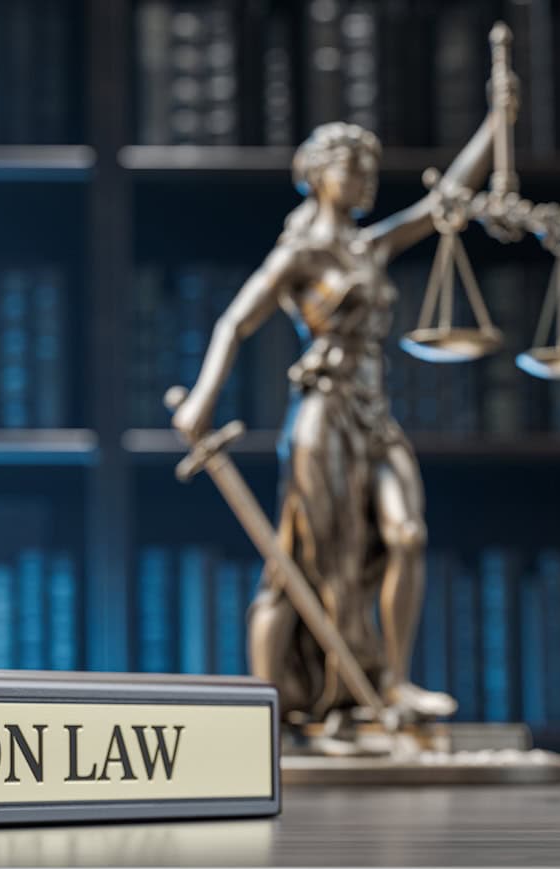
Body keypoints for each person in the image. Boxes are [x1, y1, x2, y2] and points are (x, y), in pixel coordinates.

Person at [170, 96, 509, 740]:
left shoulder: (371, 245)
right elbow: (235, 322)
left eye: (369, 170)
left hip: (373, 415)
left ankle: (394, 680)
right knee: (310, 562)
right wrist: (201, 400)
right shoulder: (299, 254)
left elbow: (446, 203)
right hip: (322, 417)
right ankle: (282, 702)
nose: (364, 180)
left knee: (406, 534)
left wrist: (497, 121)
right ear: (318, 173)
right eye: (352, 167)